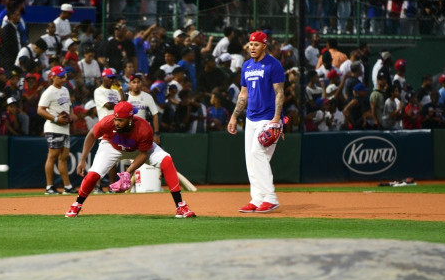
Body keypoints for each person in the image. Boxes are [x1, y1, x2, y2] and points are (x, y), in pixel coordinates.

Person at [65, 101, 196, 218]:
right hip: (112, 146)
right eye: (116, 118)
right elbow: (91, 135)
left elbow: (144, 154)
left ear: (130, 119)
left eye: (120, 120)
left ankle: (180, 206)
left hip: (138, 150)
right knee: (93, 175)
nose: (116, 122)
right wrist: (82, 159)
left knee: (167, 160)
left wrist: (129, 172)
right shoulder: (107, 121)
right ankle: (76, 204)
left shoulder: (144, 128)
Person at [227, 31, 284, 213]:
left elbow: (280, 93)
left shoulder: (273, 65)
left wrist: (276, 118)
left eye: (257, 44)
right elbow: (243, 95)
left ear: (264, 46)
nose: (252, 47)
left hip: (267, 118)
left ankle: (270, 197)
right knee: (251, 160)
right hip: (250, 118)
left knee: (257, 152)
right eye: (251, 44)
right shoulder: (246, 66)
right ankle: (257, 198)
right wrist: (234, 116)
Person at [37, 66, 77, 195]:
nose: (63, 79)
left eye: (64, 76)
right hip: (53, 127)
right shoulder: (49, 91)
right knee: (52, 156)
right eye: (60, 77)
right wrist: (55, 118)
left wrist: (71, 116)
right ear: (52, 77)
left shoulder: (65, 90)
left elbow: (69, 107)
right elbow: (40, 110)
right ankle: (49, 187)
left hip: (65, 127)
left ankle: (67, 186)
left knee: (64, 158)